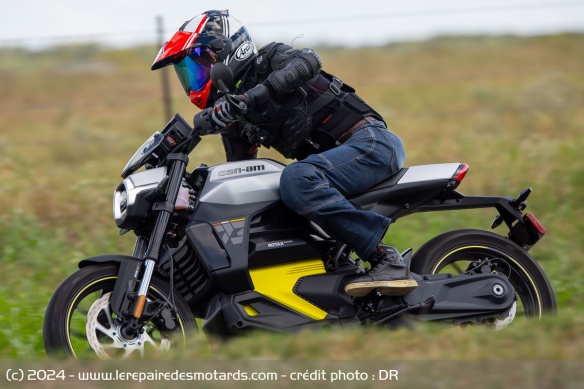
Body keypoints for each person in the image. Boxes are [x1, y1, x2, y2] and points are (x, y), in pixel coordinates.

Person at [151, 10, 417, 297]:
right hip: (331, 169)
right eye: (188, 72)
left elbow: (310, 60)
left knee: (296, 178)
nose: (194, 77)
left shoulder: (272, 59)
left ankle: (386, 259)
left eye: (199, 64)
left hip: (371, 144)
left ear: (226, 51)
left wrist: (249, 98)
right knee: (263, 196)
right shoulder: (236, 115)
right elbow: (240, 173)